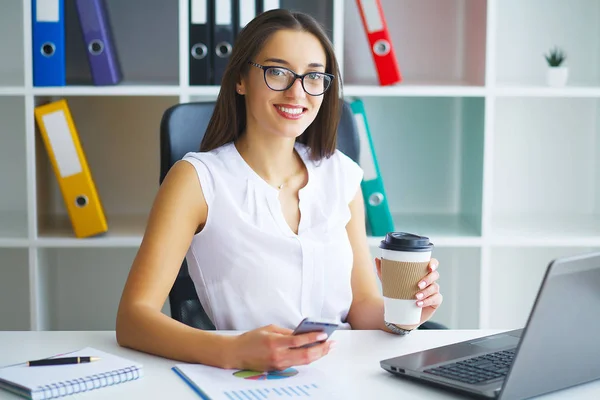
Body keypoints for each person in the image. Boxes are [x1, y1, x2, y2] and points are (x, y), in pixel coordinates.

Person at [116, 9, 443, 373]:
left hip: (345, 374)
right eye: (277, 72)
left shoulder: (342, 175)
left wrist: (405, 314)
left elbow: (363, 305)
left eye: (313, 77)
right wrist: (233, 351)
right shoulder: (196, 180)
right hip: (246, 379)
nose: (296, 92)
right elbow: (133, 319)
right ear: (241, 79)